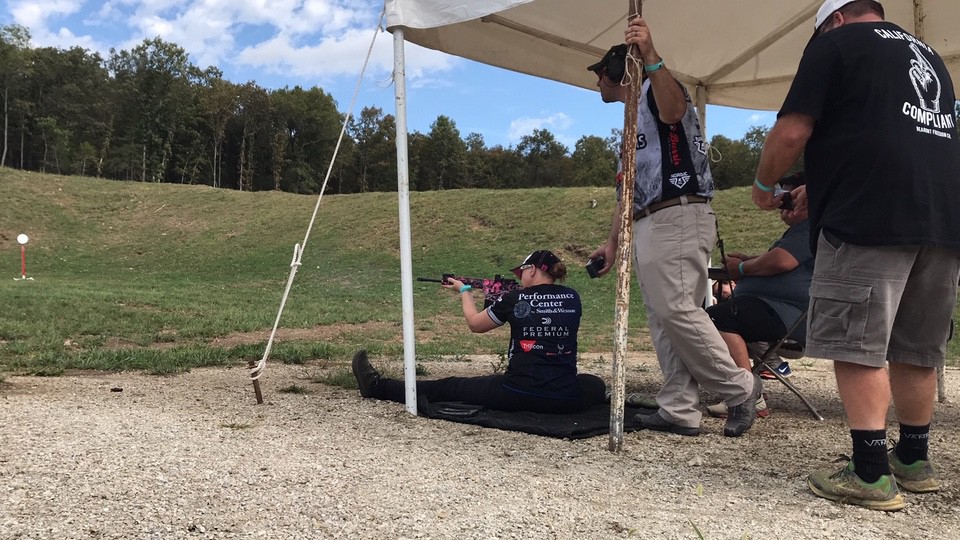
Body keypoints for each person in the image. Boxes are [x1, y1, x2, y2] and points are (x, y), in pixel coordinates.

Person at [752, 0, 960, 511]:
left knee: (858, 342)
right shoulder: (930, 56)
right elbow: (891, 138)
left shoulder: (834, 44)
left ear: (836, 19)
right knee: (916, 346)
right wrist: (816, 187)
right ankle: (912, 459)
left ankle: (869, 473)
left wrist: (763, 185)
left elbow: (793, 131)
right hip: (943, 219)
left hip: (870, 217)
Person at [586, 17, 762, 438]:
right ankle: (679, 408)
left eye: (600, 76)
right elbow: (625, 189)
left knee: (677, 309)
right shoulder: (631, 121)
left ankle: (739, 388)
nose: (597, 85)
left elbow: (676, 109)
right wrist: (612, 243)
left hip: (677, 211)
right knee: (662, 316)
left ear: (618, 72)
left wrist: (649, 55)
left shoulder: (657, 89)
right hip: (650, 217)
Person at [351, 250, 607, 414]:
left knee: (451, 387)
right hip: (564, 396)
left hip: (518, 391)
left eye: (522, 272)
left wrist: (465, 292)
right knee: (595, 384)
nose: (519, 278)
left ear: (532, 270)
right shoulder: (573, 297)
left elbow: (475, 324)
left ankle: (378, 387)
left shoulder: (516, 298)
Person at [705, 172, 814, 418]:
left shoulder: (809, 229)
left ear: (806, 200)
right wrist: (751, 261)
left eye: (787, 200)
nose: (780, 207)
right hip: (777, 310)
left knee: (715, 319)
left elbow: (783, 261)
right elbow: (781, 260)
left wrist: (742, 269)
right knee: (719, 316)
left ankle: (746, 395)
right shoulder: (798, 233)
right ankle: (743, 388)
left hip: (788, 315)